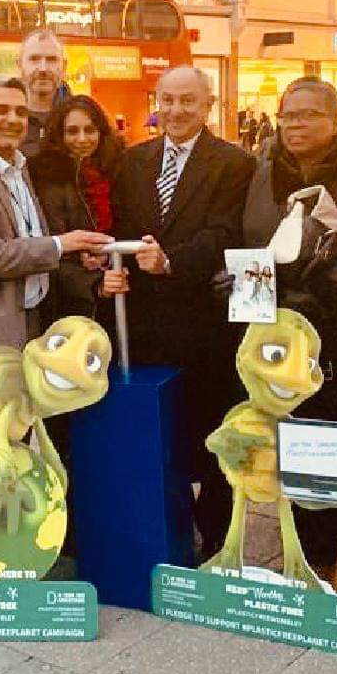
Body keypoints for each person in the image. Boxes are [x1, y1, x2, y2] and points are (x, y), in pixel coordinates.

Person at [237, 79, 337, 569]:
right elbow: (252, 239)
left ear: (335, 120)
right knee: (279, 427)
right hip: (272, 327)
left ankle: (321, 546)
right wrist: (243, 286)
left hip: (331, 332)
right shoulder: (265, 172)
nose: (296, 125)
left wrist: (325, 295)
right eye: (288, 115)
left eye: (309, 115)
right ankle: (295, 527)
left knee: (323, 435)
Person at [103, 66, 255, 557]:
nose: (175, 110)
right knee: (156, 434)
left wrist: (171, 261)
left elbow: (226, 233)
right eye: (167, 100)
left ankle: (216, 542)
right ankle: (164, 529)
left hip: (204, 326)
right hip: (144, 326)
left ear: (208, 105)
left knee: (210, 434)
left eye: (187, 101)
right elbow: (121, 227)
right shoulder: (133, 161)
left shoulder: (234, 163)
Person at [0, 77, 111, 375]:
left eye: (21, 112)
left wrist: (76, 253)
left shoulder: (19, 168)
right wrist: (60, 244)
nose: (13, 119)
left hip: (27, 324)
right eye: (0, 110)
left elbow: (27, 237)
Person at [29, 94, 123, 320]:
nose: (82, 139)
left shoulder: (118, 169)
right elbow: (50, 243)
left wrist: (108, 258)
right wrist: (93, 282)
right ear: (59, 135)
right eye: (72, 131)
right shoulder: (44, 176)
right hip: (69, 300)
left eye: (89, 130)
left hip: (115, 289)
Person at [18, 29, 69, 159]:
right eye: (34, 59)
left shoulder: (82, 118)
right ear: (19, 65)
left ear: (64, 66)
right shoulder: (3, 121)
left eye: (51, 59)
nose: (43, 68)